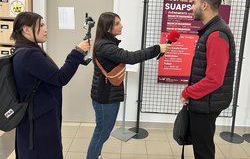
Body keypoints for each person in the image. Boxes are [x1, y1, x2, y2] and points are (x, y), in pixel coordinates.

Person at [87, 12, 171, 159]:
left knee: (103, 131)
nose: (122, 25)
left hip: (107, 96)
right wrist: (157, 48)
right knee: (102, 132)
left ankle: (96, 155)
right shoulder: (104, 46)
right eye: (117, 23)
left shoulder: (105, 43)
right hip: (104, 98)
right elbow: (130, 57)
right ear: (108, 28)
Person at [12, 12, 90, 159]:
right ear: (26, 29)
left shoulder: (24, 51)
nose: (45, 29)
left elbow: (52, 77)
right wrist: (77, 52)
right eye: (40, 25)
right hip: (38, 124)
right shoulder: (29, 55)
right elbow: (60, 78)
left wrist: (77, 56)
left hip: (35, 119)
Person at [180, 0, 235, 159]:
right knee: (203, 147)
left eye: (194, 3)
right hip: (205, 101)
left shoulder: (217, 34)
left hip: (207, 104)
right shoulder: (212, 31)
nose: (191, 7)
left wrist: (187, 92)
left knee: (203, 152)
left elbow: (214, 80)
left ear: (204, 5)